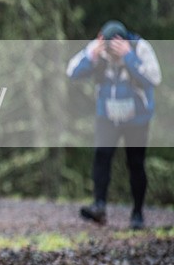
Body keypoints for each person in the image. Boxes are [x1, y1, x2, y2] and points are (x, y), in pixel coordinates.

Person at [67, 20, 161, 229]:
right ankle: (99, 206)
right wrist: (92, 56)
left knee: (135, 163)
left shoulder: (140, 48)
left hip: (137, 118)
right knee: (102, 156)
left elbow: (154, 78)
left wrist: (128, 56)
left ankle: (137, 213)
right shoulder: (99, 47)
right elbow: (72, 72)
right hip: (107, 116)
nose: (112, 57)